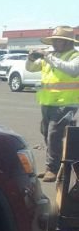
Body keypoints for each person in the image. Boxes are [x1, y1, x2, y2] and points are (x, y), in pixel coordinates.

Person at [26, 26, 79, 181]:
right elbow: (30, 68)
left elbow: (73, 70)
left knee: (54, 135)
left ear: (67, 42)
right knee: (46, 134)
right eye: (53, 40)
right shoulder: (52, 55)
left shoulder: (74, 55)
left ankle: (52, 169)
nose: (54, 43)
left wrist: (48, 57)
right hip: (48, 102)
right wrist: (30, 58)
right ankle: (55, 165)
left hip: (66, 103)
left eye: (57, 40)